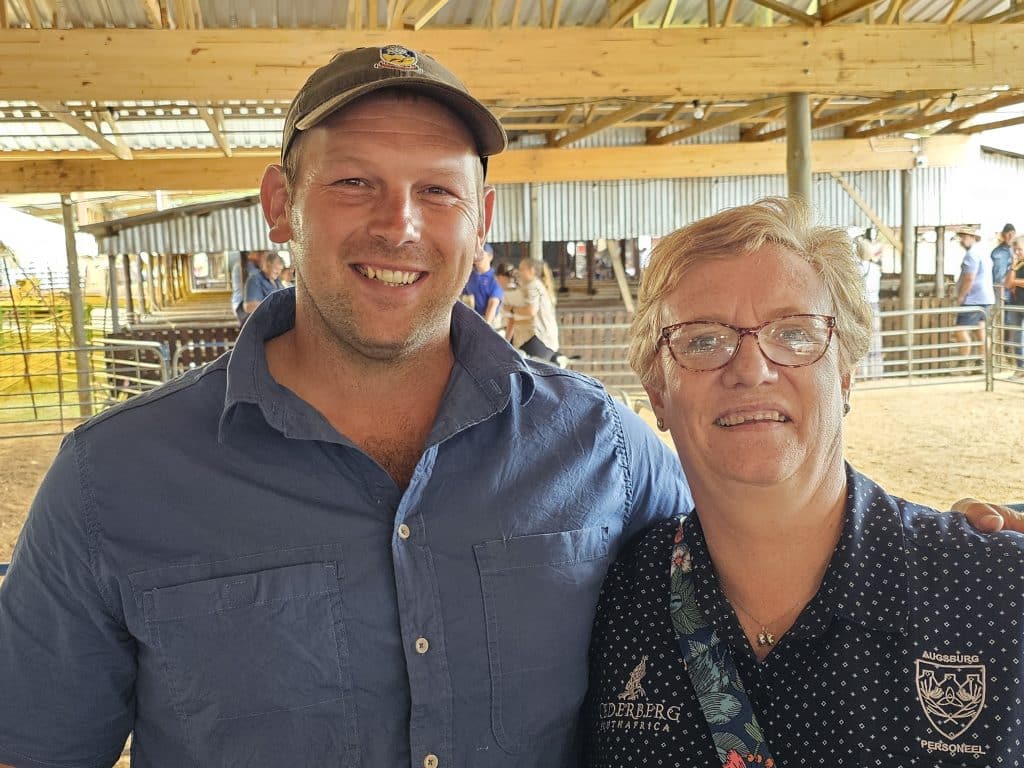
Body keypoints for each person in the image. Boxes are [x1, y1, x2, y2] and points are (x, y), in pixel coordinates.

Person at [0, 47, 1016, 768]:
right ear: (282, 204)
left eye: (437, 192)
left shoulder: (599, 448)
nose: (398, 224)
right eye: (355, 182)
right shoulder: (113, 482)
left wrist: (948, 548)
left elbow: (759, 490)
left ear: (481, 220)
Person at [582, 197, 1024, 767]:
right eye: (701, 340)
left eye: (794, 333)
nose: (751, 368)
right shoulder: (612, 599)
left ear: (844, 373)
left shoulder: (996, 591)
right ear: (659, 391)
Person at [510, 256, 569, 367]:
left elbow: (531, 310)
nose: (519, 272)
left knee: (523, 365)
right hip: (546, 339)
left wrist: (513, 310)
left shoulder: (534, 285)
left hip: (541, 338)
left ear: (531, 270)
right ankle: (556, 360)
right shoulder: (537, 285)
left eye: (522, 269)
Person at [953, 225, 995, 367]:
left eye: (964, 237)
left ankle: (963, 361)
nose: (961, 240)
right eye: (961, 237)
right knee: (980, 330)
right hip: (986, 297)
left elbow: (970, 277)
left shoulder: (971, 254)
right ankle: (982, 362)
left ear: (972, 238)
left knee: (960, 330)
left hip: (973, 298)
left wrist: (961, 296)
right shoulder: (983, 252)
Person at [854, 234, 883, 380]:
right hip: (874, 305)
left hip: (859, 305)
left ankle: (861, 375)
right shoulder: (876, 269)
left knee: (859, 339)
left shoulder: (854, 269)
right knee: (875, 339)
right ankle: (876, 374)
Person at [462, 242, 503, 331]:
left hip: (491, 321)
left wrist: (486, 326)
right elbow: (464, 297)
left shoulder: (495, 278)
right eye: (476, 256)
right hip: (474, 320)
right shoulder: (470, 277)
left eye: (481, 256)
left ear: (490, 257)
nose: (477, 259)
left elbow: (493, 303)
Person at [242, 250, 285, 316]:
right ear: (267, 265)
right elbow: (248, 307)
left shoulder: (277, 281)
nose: (278, 272)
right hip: (262, 322)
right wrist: (276, 306)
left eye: (280, 270)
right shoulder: (255, 279)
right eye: (276, 269)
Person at [1007, 237, 1024, 378]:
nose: (1017, 252)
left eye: (1020, 249)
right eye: (1015, 249)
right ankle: (1020, 367)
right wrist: (1013, 266)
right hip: (1015, 303)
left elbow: (1013, 282)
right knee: (1017, 337)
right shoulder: (1017, 265)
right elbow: (1008, 283)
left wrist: (1015, 282)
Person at [230, 250, 262, 324]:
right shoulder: (248, 268)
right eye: (259, 253)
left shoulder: (248, 266)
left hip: (240, 304)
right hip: (243, 305)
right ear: (250, 254)